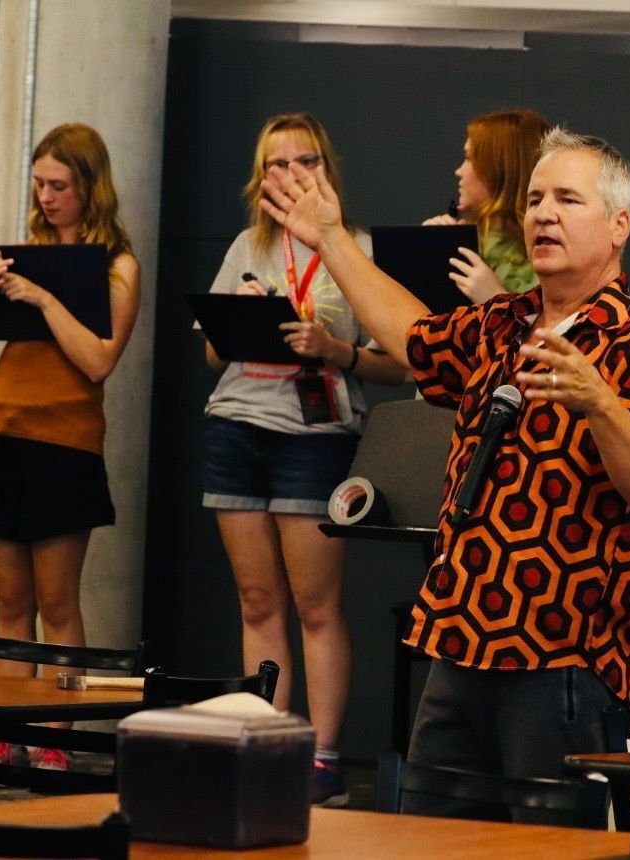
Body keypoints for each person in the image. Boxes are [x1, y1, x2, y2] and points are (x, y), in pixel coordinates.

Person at [262, 128, 630, 821]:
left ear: (618, 227)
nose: (542, 214)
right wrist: (331, 239)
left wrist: (598, 403)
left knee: (545, 848)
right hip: (458, 644)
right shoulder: (504, 323)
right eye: (532, 200)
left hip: (558, 663)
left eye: (565, 199)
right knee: (430, 842)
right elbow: (412, 338)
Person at [199, 113, 408, 807]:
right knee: (258, 602)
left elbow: (396, 365)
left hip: (315, 436)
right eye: (275, 164)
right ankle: (268, 744)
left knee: (316, 604)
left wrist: (333, 348)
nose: (288, 174)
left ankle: (321, 755)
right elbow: (210, 351)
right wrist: (248, 315)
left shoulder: (358, 249)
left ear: (327, 168)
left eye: (303, 161)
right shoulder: (245, 246)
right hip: (237, 422)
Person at [0, 123, 141, 771]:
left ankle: (55, 733)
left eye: (59, 185)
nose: (47, 196)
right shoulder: (26, 252)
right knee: (10, 603)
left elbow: (97, 360)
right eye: (39, 184)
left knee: (58, 601)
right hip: (2, 434)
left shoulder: (116, 265)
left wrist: (42, 296)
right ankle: (8, 727)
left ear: (90, 187)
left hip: (65, 446)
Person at [423, 109, 551, 301]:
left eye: (469, 158)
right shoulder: (467, 241)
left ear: (499, 169)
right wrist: (428, 248)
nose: (459, 171)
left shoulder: (552, 258)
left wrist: (496, 299)